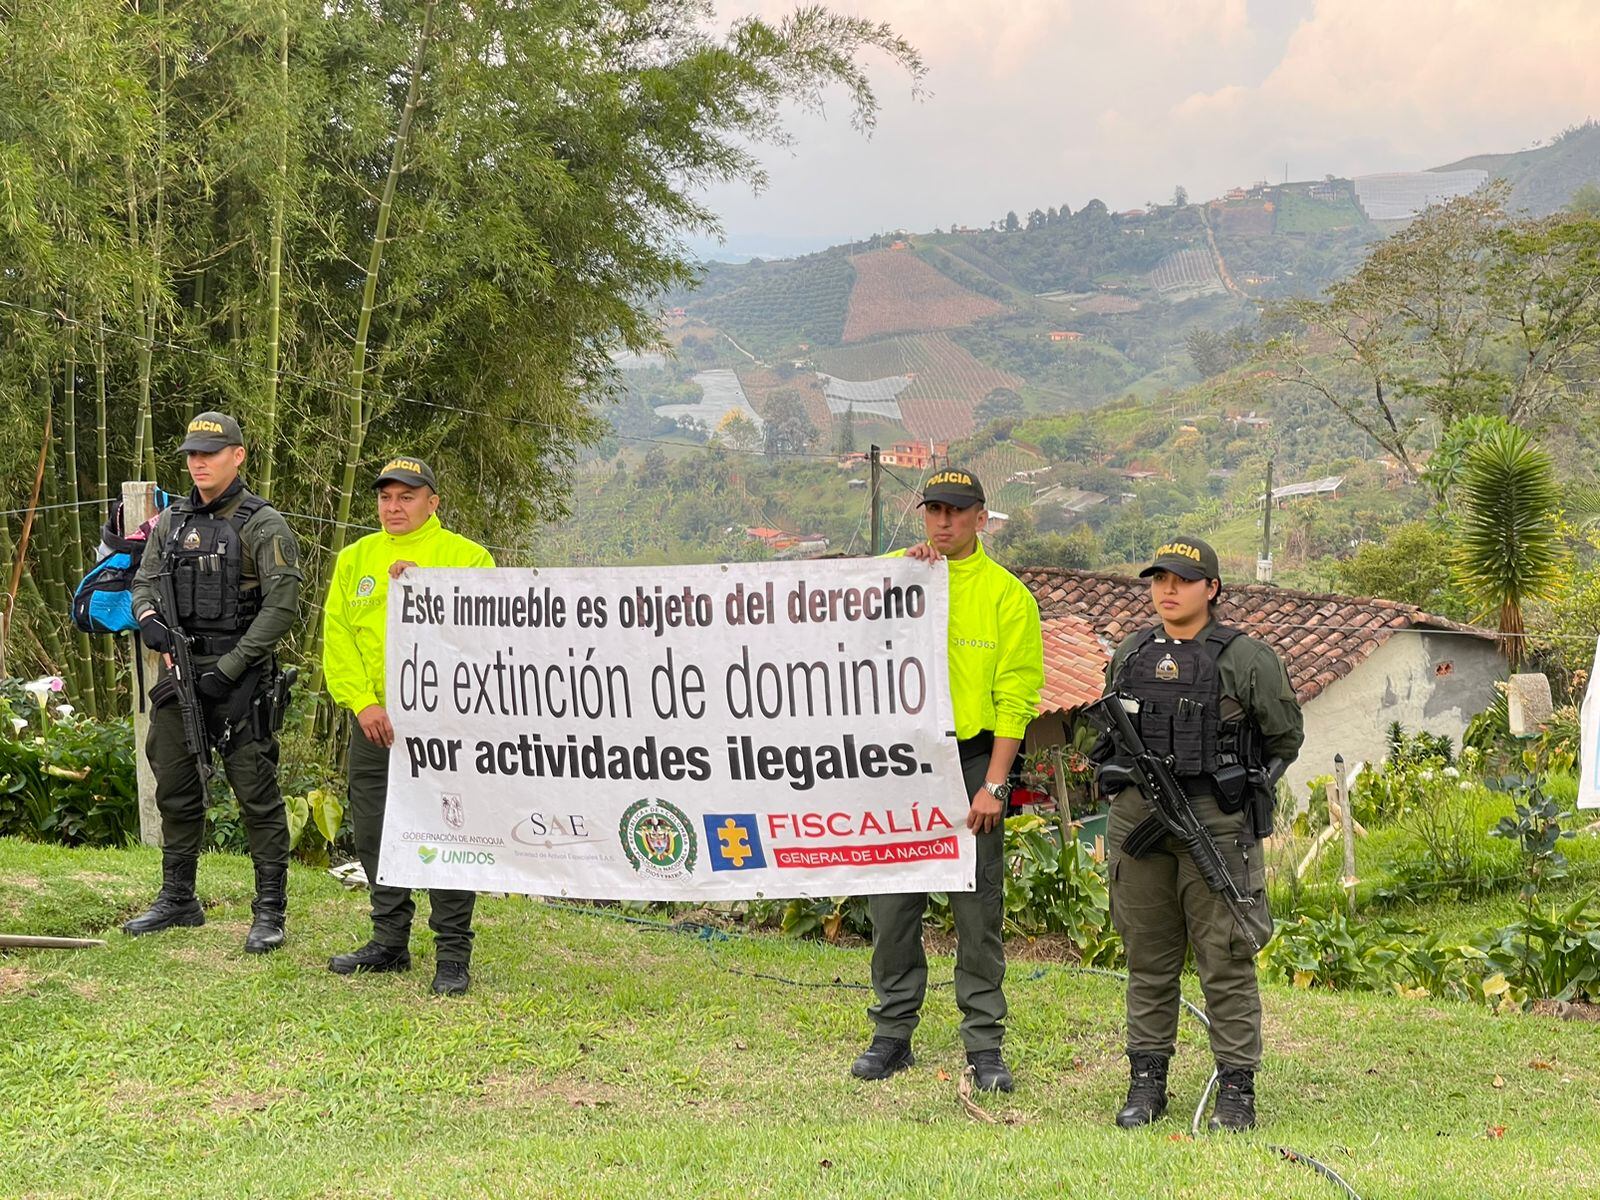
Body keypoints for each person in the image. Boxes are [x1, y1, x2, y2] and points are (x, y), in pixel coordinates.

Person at [1097, 537, 1302, 1131]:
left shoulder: (1246, 659)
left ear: (1211, 588)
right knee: (1148, 956)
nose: (1167, 590)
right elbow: (1107, 736)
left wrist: (1248, 789)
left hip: (1216, 819)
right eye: (1159, 578)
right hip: (1139, 817)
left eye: (1183, 580)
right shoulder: (1133, 652)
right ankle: (1146, 1083)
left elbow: (1284, 738)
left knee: (1226, 956)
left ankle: (1236, 1090)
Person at [851, 467, 1043, 1093]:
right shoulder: (893, 571)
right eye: (933, 508)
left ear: (981, 518)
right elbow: (838, 633)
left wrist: (994, 784)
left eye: (957, 511)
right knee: (892, 903)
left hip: (968, 764)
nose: (943, 521)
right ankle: (891, 1034)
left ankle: (984, 1044)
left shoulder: (1008, 596)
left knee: (976, 909)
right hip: (897, 764)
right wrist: (894, 575)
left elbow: (1017, 698)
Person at [124, 411, 302, 953]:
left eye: (210, 453)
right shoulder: (172, 521)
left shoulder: (262, 524)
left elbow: (282, 607)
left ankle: (269, 910)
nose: (199, 463)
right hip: (180, 677)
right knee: (174, 784)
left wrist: (228, 670)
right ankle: (179, 898)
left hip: (241, 681)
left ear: (238, 456)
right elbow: (145, 582)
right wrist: (150, 620)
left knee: (256, 793)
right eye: (192, 455)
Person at [322, 456, 495, 996]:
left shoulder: (468, 558)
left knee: (450, 832)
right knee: (374, 831)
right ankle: (389, 940)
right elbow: (339, 638)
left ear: (432, 502)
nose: (393, 508)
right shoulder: (356, 558)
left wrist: (432, 590)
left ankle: (452, 953)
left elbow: (489, 637)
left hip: (446, 726)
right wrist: (363, 703)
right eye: (385, 498)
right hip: (376, 724)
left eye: (407, 497)